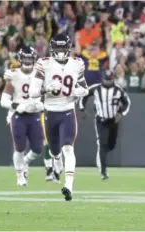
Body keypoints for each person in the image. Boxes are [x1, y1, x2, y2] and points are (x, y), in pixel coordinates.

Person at [29, 34, 89, 201]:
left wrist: (80, 92)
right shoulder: (44, 63)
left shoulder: (77, 63)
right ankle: (57, 163)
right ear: (52, 48)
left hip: (68, 111)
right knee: (55, 151)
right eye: (58, 48)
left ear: (68, 48)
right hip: (50, 112)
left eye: (64, 48)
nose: (61, 51)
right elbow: (32, 92)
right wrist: (46, 88)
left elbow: (85, 88)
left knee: (68, 148)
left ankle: (68, 185)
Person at [0, 46, 44, 187]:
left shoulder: (39, 74)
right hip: (18, 115)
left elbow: (45, 92)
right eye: (24, 58)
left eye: (29, 58)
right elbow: (4, 100)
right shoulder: (13, 75)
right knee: (19, 147)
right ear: (20, 59)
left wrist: (41, 103)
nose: (27, 61)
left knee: (38, 148)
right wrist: (16, 106)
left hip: (34, 114)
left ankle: (25, 162)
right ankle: (20, 176)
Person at [78, 70, 131, 180]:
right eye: (106, 80)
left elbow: (127, 102)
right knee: (102, 144)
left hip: (113, 121)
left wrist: (121, 113)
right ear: (102, 79)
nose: (107, 82)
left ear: (113, 79)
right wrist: (82, 109)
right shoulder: (96, 88)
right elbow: (84, 96)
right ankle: (103, 172)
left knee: (111, 145)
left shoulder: (118, 90)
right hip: (100, 120)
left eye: (110, 80)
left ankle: (101, 158)